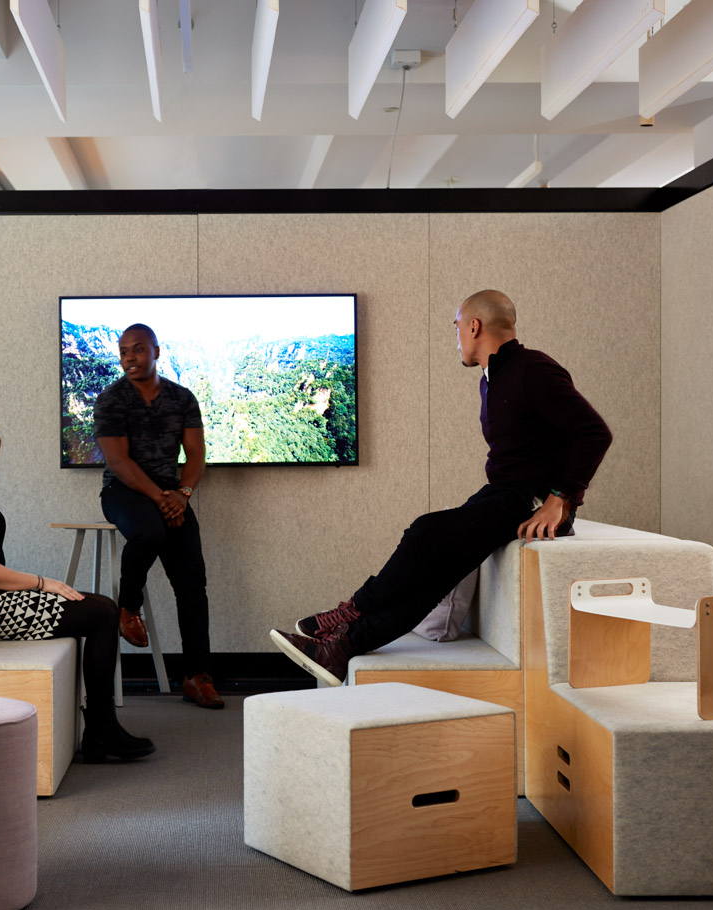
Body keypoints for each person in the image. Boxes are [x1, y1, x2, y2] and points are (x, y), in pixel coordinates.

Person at [270, 290, 613, 686]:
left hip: (530, 502)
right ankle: (341, 649)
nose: (457, 338)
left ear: (474, 326)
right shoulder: (492, 379)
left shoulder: (533, 369)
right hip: (505, 494)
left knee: (424, 533)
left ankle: (352, 611)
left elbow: (594, 432)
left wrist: (559, 500)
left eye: (457, 327)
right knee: (432, 579)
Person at [0, 401, 154, 762]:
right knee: (103, 613)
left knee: (103, 607)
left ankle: (101, 730)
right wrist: (42, 582)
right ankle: (102, 732)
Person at [93, 323, 223, 710]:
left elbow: (196, 454)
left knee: (192, 584)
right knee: (149, 532)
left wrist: (182, 494)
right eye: (123, 352)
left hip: (172, 494)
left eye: (137, 349)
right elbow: (118, 461)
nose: (129, 358)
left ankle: (197, 676)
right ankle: (128, 608)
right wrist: (161, 498)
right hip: (123, 491)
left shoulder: (182, 398)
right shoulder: (111, 400)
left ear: (156, 351)